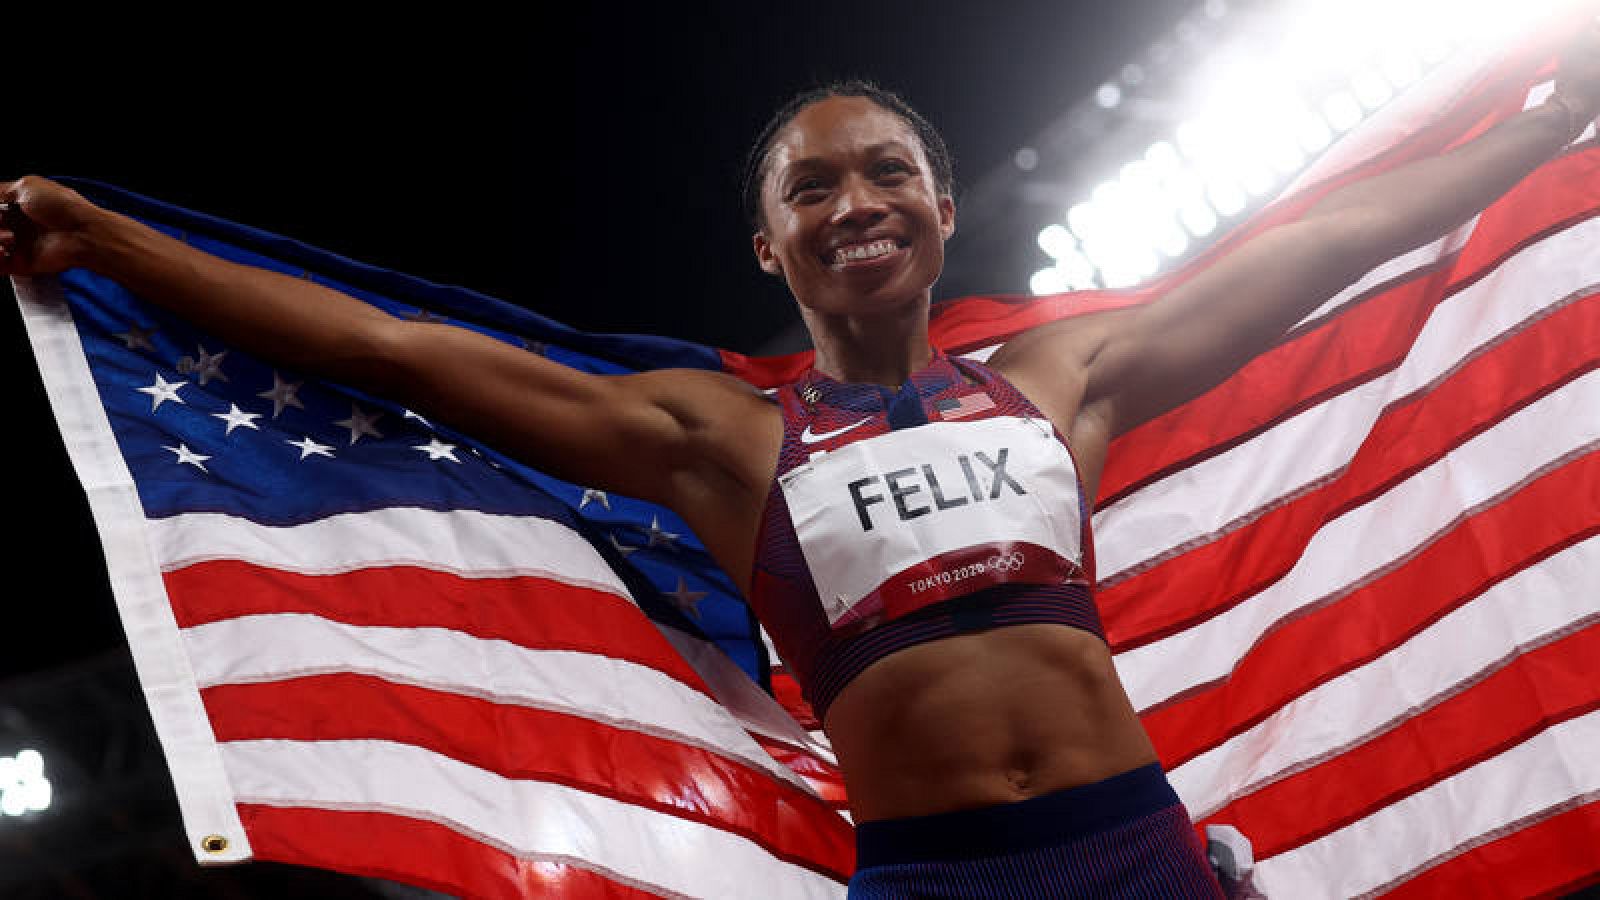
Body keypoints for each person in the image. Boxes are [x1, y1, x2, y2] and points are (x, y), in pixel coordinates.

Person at [3, 24, 1598, 897]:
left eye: (888, 172)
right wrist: (110, 243)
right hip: (931, 883)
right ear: (767, 247)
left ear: (941, 209)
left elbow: (1324, 243)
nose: (857, 203)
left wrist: (1539, 129)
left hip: (1133, 857)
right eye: (814, 189)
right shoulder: (723, 440)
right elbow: (398, 354)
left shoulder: (1063, 382)